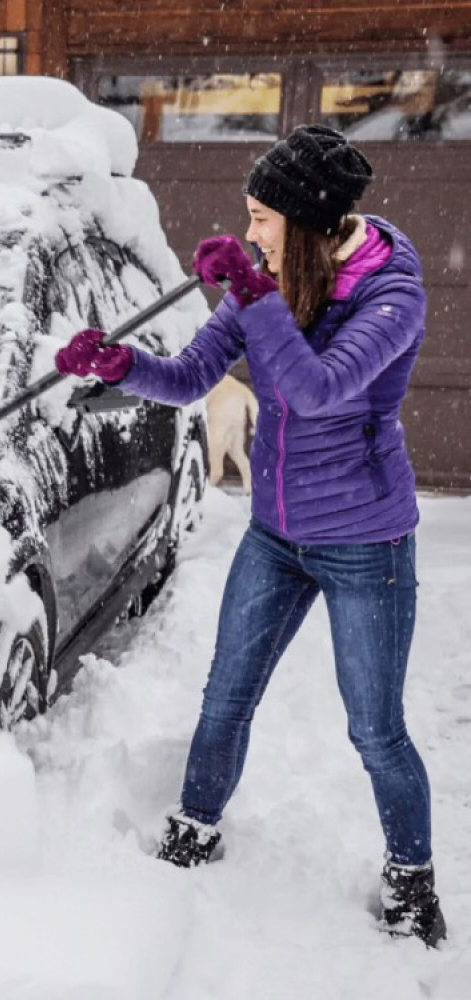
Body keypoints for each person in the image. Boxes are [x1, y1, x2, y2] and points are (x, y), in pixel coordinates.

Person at [55, 124, 446, 947]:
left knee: (375, 728)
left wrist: (255, 295)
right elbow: (195, 374)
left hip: (364, 541)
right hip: (275, 533)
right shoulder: (268, 280)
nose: (250, 230)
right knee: (226, 694)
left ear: (308, 224)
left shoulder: (392, 297)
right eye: (249, 213)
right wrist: (120, 367)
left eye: (263, 215)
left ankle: (412, 877)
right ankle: (196, 823)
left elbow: (314, 391)